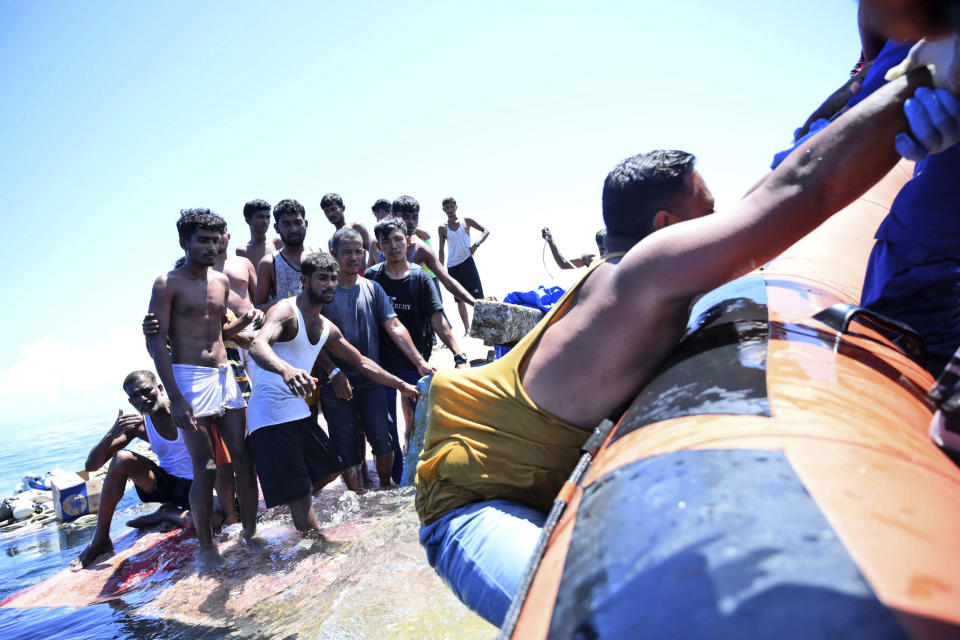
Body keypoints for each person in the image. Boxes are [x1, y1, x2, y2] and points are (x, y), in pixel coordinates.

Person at [415, 66, 949, 626]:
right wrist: (922, 77)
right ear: (667, 224)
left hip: (529, 470)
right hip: (473, 506)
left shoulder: (638, 272)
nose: (721, 223)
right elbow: (801, 188)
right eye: (709, 210)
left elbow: (770, 188)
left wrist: (856, 89)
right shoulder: (642, 278)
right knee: (584, 621)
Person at [248, 251, 418, 533]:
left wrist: (401, 385)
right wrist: (286, 370)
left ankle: (285, 508)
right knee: (302, 493)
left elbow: (362, 362)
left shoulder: (325, 326)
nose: (329, 284)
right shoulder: (285, 311)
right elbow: (258, 346)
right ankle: (315, 544)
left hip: (298, 411)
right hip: (271, 414)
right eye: (322, 278)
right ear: (304, 280)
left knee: (332, 468)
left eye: (333, 279)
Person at [146, 208, 261, 571]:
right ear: (185, 242)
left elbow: (214, 334)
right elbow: (156, 342)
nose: (211, 247)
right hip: (188, 379)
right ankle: (206, 546)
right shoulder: (167, 283)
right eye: (203, 240)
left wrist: (240, 324)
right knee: (206, 465)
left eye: (216, 240)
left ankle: (249, 531)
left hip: (225, 374)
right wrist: (175, 397)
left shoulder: (221, 282)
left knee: (243, 458)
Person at [322, 227, 434, 489]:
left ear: (364, 253)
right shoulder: (324, 292)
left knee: (383, 441)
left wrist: (419, 361)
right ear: (333, 255)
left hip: (371, 379)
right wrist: (332, 372)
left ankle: (384, 491)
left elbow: (394, 326)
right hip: (334, 383)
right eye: (346, 252)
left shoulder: (373, 289)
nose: (353, 257)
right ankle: (358, 499)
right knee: (346, 447)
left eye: (358, 252)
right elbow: (312, 338)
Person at [71, 371, 197, 569]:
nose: (143, 399)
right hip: (166, 485)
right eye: (136, 396)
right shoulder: (138, 424)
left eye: (147, 391)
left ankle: (166, 513)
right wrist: (112, 433)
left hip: (199, 484)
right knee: (121, 458)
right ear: (131, 402)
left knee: (207, 521)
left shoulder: (182, 410)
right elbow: (90, 468)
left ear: (160, 389)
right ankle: (100, 539)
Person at [365, 217, 467, 447]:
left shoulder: (420, 277)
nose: (393, 246)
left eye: (398, 239)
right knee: (384, 427)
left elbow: (437, 318)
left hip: (416, 363)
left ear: (408, 241)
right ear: (379, 246)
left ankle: (416, 473)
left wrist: (458, 354)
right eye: (386, 241)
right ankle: (393, 477)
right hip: (382, 365)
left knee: (421, 426)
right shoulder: (371, 278)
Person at [391, 195, 478, 317]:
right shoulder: (378, 245)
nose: (411, 222)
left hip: (414, 313)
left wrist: (476, 303)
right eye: (405, 217)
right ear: (393, 215)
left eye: (415, 217)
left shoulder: (421, 249)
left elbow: (448, 281)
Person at [437, 197, 490, 334]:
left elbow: (486, 231)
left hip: (467, 262)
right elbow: (441, 250)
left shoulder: (466, 221)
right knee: (459, 299)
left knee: (479, 297)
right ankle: (467, 329)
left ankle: (484, 327)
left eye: (451, 206)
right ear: (443, 210)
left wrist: (476, 245)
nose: (449, 210)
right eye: (446, 208)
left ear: (456, 207)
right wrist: (440, 269)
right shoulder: (442, 228)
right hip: (453, 266)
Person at [256, 198, 317, 309]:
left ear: (306, 223)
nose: (293, 229)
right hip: (287, 326)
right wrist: (288, 302)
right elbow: (259, 309)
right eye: (286, 224)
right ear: (276, 228)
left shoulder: (319, 255)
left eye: (298, 223)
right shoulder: (269, 263)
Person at [235, 199, 283, 271]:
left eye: (268, 217)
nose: (265, 221)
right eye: (260, 217)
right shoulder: (242, 251)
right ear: (248, 220)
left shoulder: (276, 243)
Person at [541, 226, 606, 269]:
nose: (605, 252)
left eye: (608, 248)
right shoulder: (592, 260)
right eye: (602, 249)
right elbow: (563, 264)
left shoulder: (616, 263)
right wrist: (550, 241)